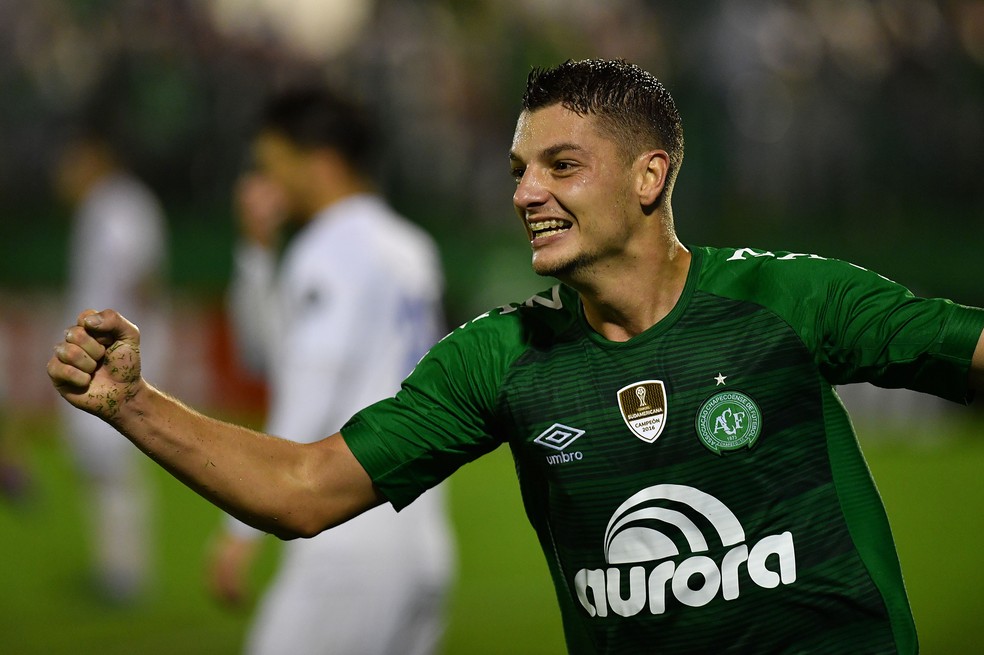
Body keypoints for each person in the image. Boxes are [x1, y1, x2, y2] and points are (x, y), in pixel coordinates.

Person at [48, 59, 984, 654]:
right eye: (518, 171)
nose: (526, 192)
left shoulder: (788, 302)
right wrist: (133, 402)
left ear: (650, 174)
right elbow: (303, 487)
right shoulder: (502, 357)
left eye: (560, 165)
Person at [206, 87, 455, 655]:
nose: (264, 182)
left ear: (319, 163)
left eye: (272, 164)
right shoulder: (412, 247)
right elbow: (270, 356)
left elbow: (308, 390)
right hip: (422, 538)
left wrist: (241, 527)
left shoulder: (331, 249)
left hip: (351, 547)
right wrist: (257, 252)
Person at [52, 128, 170, 602]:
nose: (63, 174)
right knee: (98, 464)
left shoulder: (119, 205)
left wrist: (124, 356)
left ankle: (126, 575)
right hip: (100, 354)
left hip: (112, 357)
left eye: (72, 162)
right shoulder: (103, 206)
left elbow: (142, 280)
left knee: (114, 464)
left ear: (95, 158)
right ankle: (114, 567)